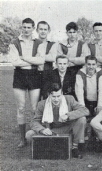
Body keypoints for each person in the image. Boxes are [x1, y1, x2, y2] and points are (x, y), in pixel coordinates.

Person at [25, 83, 89, 158]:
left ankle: (74, 147)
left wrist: (68, 115)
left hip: (68, 128)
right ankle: (51, 146)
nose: (56, 99)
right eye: (53, 96)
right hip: (52, 130)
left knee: (82, 119)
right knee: (29, 135)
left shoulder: (69, 99)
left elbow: (85, 110)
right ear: (49, 95)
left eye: (58, 96)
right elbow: (34, 121)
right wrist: (42, 130)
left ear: (62, 94)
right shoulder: (42, 104)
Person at [9, 18, 44, 148]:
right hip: (20, 75)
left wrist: (24, 58)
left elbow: (41, 60)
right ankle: (22, 139)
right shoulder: (14, 42)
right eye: (24, 27)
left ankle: (35, 135)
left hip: (34, 75)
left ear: (33, 28)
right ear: (21, 27)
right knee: (21, 108)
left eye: (29, 27)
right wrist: (31, 61)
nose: (26, 30)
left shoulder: (39, 42)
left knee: (35, 108)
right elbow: (15, 62)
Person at [35, 21, 58, 99]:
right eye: (41, 29)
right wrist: (45, 57)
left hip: (48, 75)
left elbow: (52, 57)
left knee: (47, 99)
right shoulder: (32, 43)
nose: (43, 31)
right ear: (37, 30)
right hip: (34, 74)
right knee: (35, 100)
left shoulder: (52, 44)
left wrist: (37, 56)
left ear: (48, 31)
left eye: (45, 29)